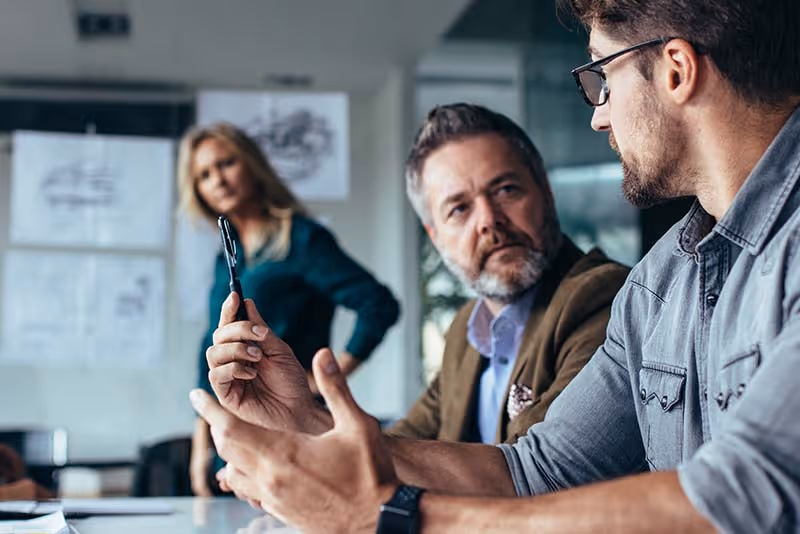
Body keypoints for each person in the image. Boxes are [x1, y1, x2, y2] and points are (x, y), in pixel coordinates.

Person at [191, 0, 800, 530]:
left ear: (675, 69)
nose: (599, 114)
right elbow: (539, 469)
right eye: (457, 208)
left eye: (602, 80)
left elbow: (749, 499)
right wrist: (305, 420)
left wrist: (387, 517)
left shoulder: (629, 289)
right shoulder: (661, 284)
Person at [176, 123, 400, 496]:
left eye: (226, 163)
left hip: (287, 428)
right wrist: (202, 442)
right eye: (203, 175)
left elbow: (378, 304)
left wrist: (327, 379)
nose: (217, 180)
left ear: (251, 164)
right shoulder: (225, 259)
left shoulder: (302, 239)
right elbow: (211, 348)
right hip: (229, 437)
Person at [384, 104, 628, 445]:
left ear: (545, 190)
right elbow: (402, 445)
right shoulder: (466, 330)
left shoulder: (603, 298)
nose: (488, 220)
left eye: (506, 190)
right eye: (459, 208)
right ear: (435, 236)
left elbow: (536, 467)